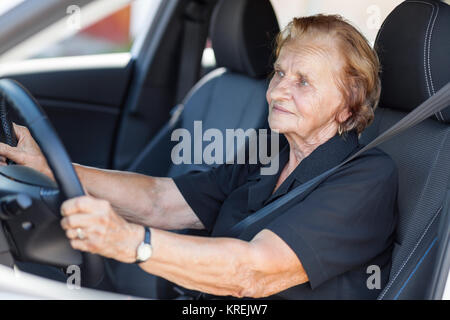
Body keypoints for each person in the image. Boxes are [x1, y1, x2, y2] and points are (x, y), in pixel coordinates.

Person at [0, 14, 398, 299]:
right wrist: (47, 165)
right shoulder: (269, 153)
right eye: (279, 73)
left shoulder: (366, 178)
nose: (277, 92)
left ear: (348, 106)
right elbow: (162, 202)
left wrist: (130, 244)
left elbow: (252, 273)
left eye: (303, 82)